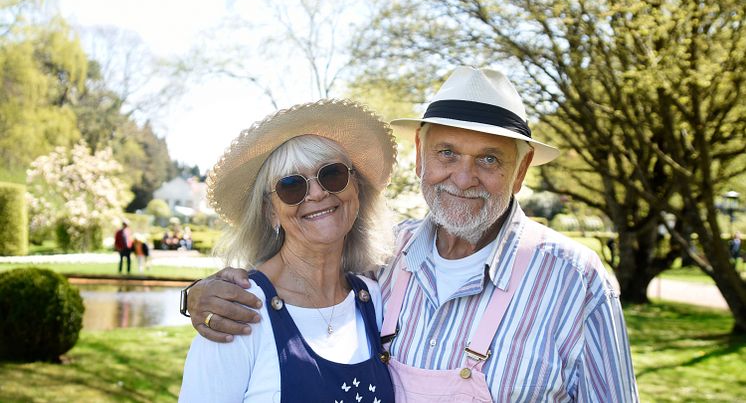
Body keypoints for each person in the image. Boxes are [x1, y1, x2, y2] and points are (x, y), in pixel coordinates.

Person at [182, 67, 639, 401]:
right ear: (420, 157)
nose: (463, 178)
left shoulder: (576, 281)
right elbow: (299, 276)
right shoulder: (384, 259)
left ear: (520, 173)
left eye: (490, 159)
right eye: (447, 153)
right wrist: (197, 296)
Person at [178, 99, 397, 402]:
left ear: (355, 188)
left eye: (332, 174)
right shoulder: (238, 312)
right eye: (292, 185)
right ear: (270, 211)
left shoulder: (374, 299)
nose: (318, 193)